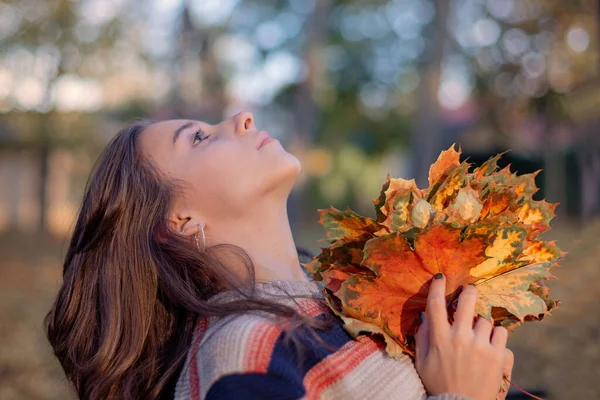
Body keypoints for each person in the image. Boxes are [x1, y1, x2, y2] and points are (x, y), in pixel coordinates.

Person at [44, 112, 514, 400]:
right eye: (199, 138)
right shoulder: (243, 351)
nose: (243, 117)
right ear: (179, 220)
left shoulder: (342, 298)